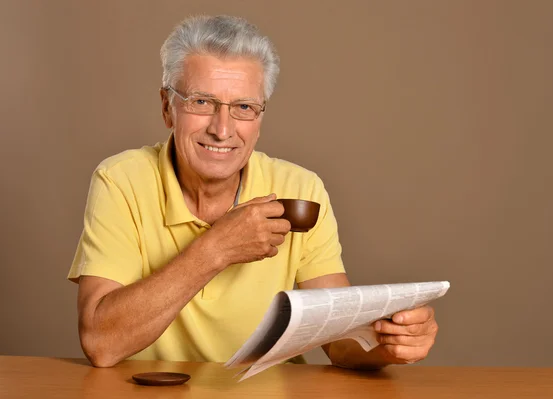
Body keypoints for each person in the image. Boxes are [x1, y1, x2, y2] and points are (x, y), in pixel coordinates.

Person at [68, 15, 439, 369]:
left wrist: (388, 345)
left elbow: (340, 341)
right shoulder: (121, 180)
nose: (223, 129)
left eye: (244, 107)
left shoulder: (299, 188)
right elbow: (101, 343)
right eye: (202, 102)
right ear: (168, 108)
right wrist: (216, 249)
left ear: (260, 119)